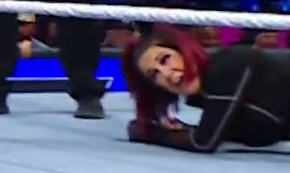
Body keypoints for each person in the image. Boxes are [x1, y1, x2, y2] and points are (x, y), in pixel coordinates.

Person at [122, 25, 289, 152]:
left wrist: (153, 134)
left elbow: (203, 142)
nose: (166, 74)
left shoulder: (227, 66)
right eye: (154, 75)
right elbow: (261, 132)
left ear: (183, 50)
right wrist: (181, 130)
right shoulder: (205, 96)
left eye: (165, 59)